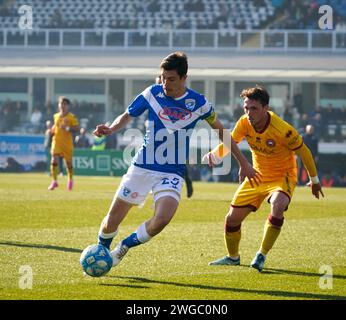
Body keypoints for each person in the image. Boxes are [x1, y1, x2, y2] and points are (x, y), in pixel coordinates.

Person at [92, 52, 258, 268]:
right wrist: (111, 128)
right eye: (162, 78)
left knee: (162, 219)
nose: (165, 83)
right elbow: (127, 115)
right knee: (110, 221)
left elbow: (222, 132)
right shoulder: (151, 94)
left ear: (183, 78)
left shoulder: (199, 103)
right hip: (142, 167)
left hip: (171, 173)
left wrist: (243, 162)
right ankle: (99, 253)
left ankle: (122, 247)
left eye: (171, 79)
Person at [205, 86, 324, 272]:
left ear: (265, 108)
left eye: (254, 108)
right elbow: (231, 142)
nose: (249, 113)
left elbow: (305, 152)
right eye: (246, 108)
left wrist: (314, 180)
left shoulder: (283, 130)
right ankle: (233, 257)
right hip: (257, 175)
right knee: (232, 219)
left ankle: (262, 254)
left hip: (282, 175)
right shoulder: (244, 122)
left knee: (278, 203)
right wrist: (215, 154)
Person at [155, 75, 194, 198]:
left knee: (179, 165)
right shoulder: (155, 98)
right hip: (159, 141)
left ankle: (187, 184)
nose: (162, 86)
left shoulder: (176, 100)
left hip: (175, 141)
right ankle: (159, 191)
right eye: (159, 83)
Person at [48, 96, 80, 191]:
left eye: (64, 104)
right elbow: (55, 128)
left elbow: (77, 128)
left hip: (67, 143)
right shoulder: (55, 116)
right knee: (53, 160)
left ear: (68, 106)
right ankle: (54, 181)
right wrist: (50, 130)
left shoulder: (71, 117)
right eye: (61, 104)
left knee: (68, 164)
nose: (62, 106)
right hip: (56, 141)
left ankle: (70, 180)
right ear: (58, 105)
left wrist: (67, 128)